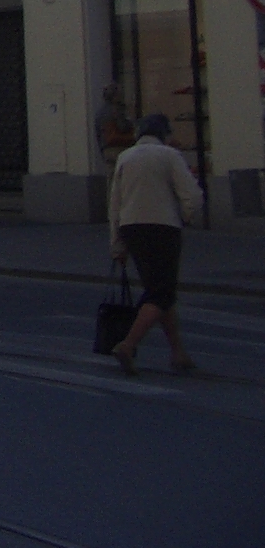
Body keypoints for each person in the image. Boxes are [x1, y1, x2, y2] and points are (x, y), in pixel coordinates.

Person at [107, 112, 203, 376]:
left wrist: (117, 244)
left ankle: (178, 353)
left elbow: (114, 204)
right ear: (163, 133)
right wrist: (187, 215)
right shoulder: (169, 156)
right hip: (163, 227)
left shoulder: (125, 157)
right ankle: (128, 345)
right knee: (161, 292)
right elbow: (192, 196)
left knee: (159, 289)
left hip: (131, 228)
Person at [95, 84, 136, 168]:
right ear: (115, 96)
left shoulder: (100, 113)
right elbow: (123, 127)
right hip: (120, 147)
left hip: (106, 149)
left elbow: (98, 134)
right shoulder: (117, 110)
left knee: (111, 173)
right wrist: (131, 121)